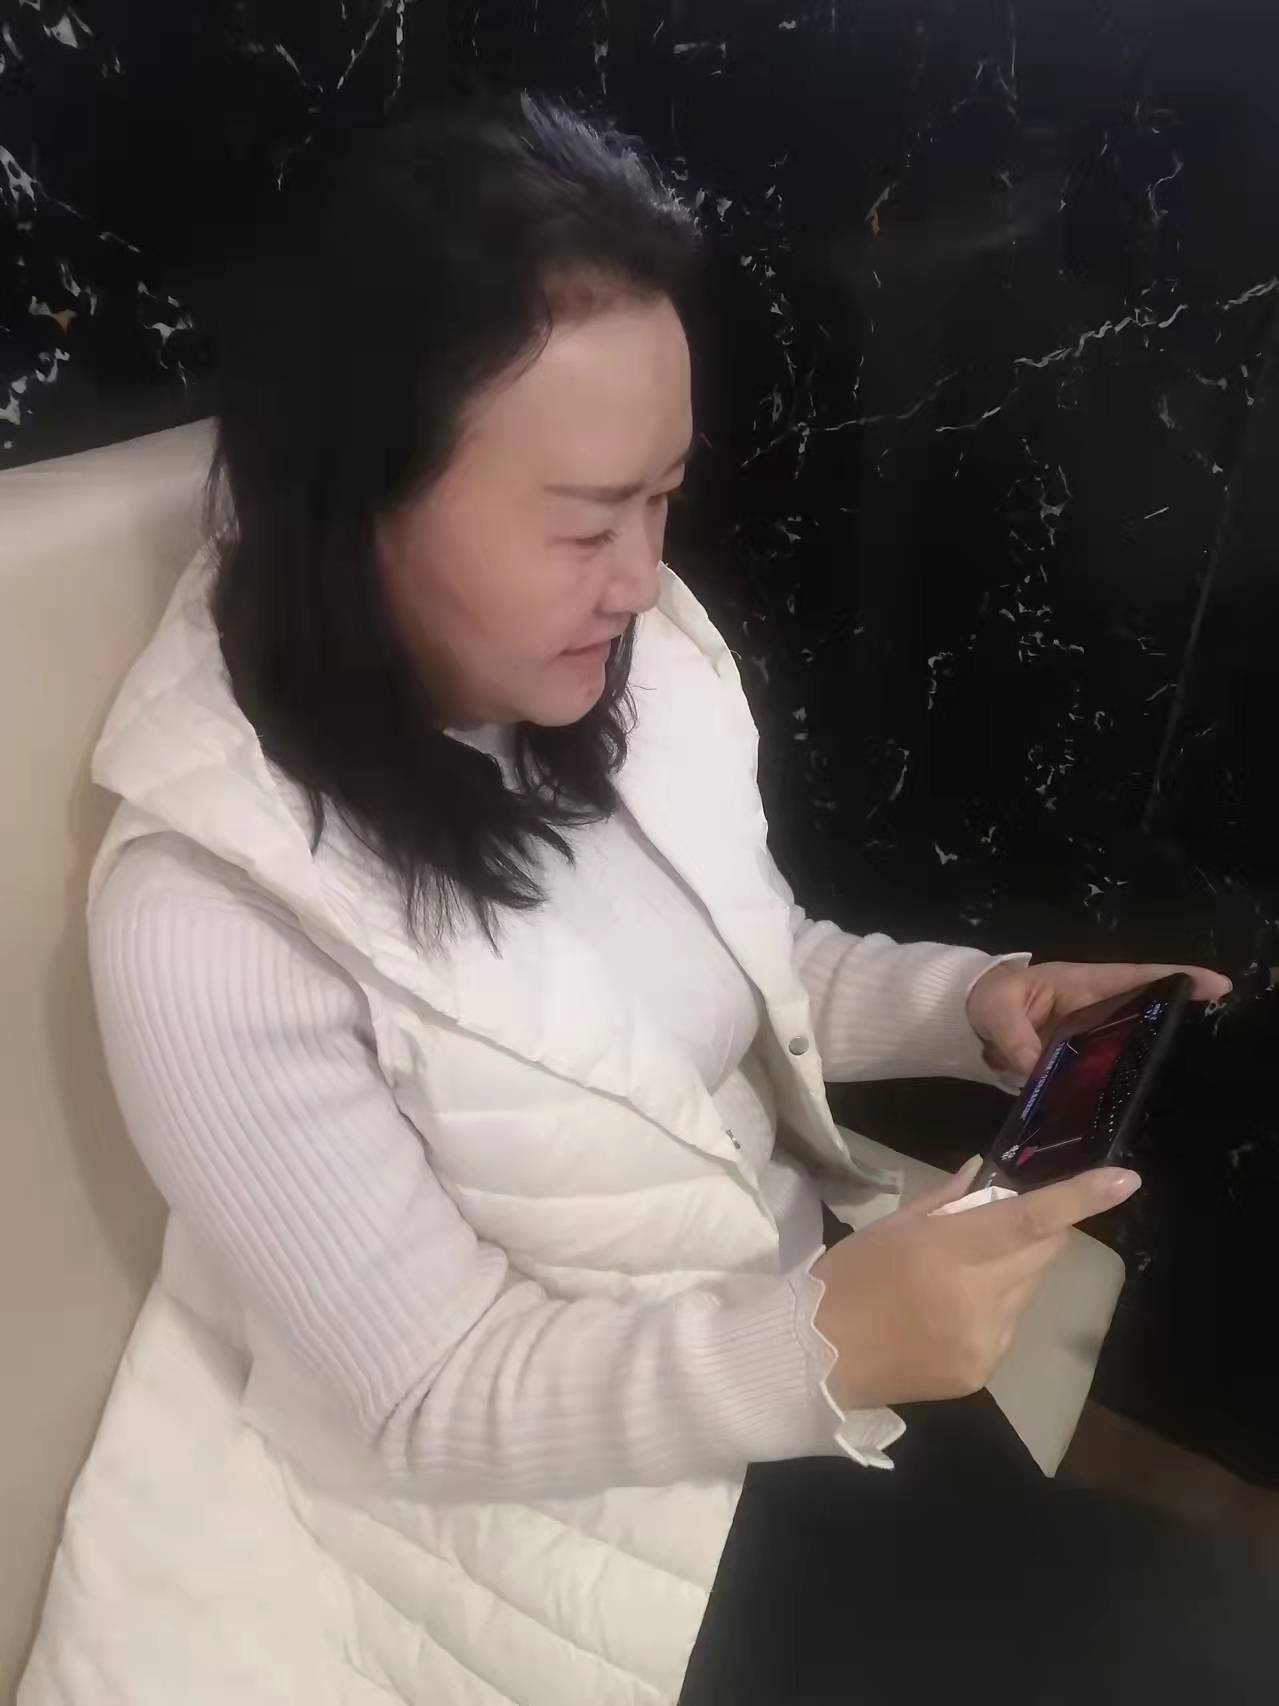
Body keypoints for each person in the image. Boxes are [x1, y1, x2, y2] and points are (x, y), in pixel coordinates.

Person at [85, 96, 1272, 1705]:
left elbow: (744, 966)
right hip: (574, 1531)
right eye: (589, 520)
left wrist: (971, 1004)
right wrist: (817, 1344)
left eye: (662, 498)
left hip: (797, 1330)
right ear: (353, 499)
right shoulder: (206, 921)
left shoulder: (598, 667)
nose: (645, 576)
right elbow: (428, 1396)